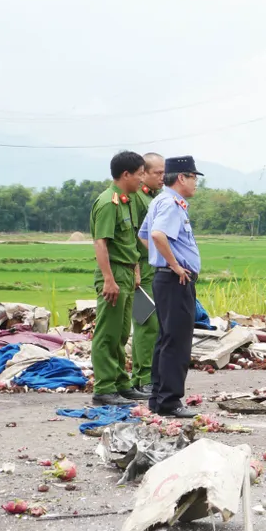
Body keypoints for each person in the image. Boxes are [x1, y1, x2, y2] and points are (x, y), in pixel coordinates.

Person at [138, 156, 203, 419]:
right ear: (181, 178)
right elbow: (155, 235)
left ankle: (158, 397)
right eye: (194, 178)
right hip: (175, 279)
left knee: (166, 339)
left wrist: (162, 258)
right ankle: (170, 400)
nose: (196, 183)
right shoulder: (171, 204)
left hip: (165, 278)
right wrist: (174, 264)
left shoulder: (159, 200)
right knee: (177, 342)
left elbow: (144, 235)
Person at [89, 151, 149, 405]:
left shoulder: (129, 201)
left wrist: (135, 269)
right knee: (107, 333)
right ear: (126, 174)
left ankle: (121, 383)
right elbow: (101, 244)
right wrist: (108, 280)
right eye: (140, 174)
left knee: (122, 332)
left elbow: (130, 239)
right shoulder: (108, 203)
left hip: (126, 272)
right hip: (112, 273)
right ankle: (104, 388)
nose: (142, 179)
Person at [130, 152, 165, 394]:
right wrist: (135, 269)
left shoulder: (153, 198)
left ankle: (150, 373)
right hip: (140, 270)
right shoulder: (136, 200)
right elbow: (131, 237)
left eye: (164, 173)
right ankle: (142, 378)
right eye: (158, 173)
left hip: (152, 268)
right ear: (143, 174)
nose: (163, 177)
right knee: (145, 323)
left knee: (156, 324)